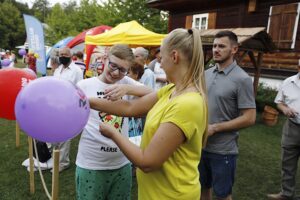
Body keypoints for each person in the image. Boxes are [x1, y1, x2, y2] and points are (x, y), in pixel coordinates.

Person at [89, 28, 208, 199]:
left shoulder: (187, 104)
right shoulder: (171, 90)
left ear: (174, 57)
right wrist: (87, 101)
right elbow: (130, 107)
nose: (158, 60)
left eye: (161, 56)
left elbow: (147, 162)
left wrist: (113, 133)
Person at [75, 44, 152, 200]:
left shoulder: (127, 84)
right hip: (91, 164)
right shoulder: (84, 86)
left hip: (121, 164)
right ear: (105, 59)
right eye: (113, 65)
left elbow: (155, 94)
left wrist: (127, 89)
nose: (116, 73)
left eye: (123, 70)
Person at [199, 30, 256, 200]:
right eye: (215, 46)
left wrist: (216, 128)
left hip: (223, 150)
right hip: (200, 145)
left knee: (223, 195)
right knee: (202, 188)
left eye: (222, 46)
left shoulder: (242, 79)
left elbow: (250, 117)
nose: (216, 49)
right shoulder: (206, 73)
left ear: (234, 49)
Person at [267, 62, 300, 200]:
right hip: (292, 127)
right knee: (287, 163)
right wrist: (285, 109)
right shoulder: (288, 82)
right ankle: (286, 194)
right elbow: (279, 102)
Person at [52, 47, 83, 172]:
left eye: (65, 54)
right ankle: (54, 158)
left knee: (65, 134)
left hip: (69, 105)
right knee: (55, 132)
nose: (62, 56)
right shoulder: (58, 69)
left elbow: (80, 88)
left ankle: (63, 162)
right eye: (60, 54)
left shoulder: (76, 70)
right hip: (55, 104)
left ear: (70, 55)